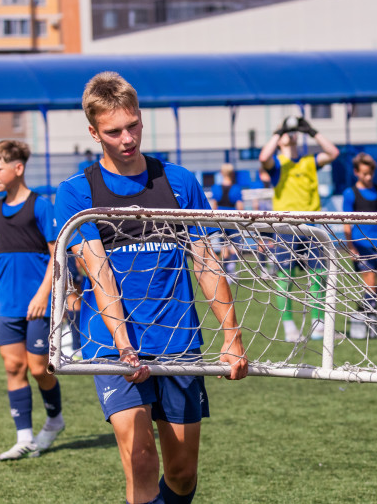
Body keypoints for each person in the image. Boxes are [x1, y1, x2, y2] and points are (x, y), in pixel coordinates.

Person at [54, 71, 248, 504]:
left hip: (179, 339)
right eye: (114, 131)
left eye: (134, 125)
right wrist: (125, 348)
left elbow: (205, 260)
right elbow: (99, 276)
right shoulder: (76, 193)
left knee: (181, 474)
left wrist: (232, 339)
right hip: (111, 344)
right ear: (93, 132)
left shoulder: (179, 182)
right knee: (141, 460)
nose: (127, 138)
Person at [0, 140, 65, 460]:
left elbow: (56, 256)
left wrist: (42, 294)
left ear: (18, 168)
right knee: (13, 367)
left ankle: (54, 421)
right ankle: (24, 437)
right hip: (5, 303)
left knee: (39, 369)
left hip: (37, 304)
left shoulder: (41, 206)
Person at [258, 115, 340, 341]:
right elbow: (263, 157)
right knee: (285, 277)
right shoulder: (276, 164)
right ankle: (289, 328)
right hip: (285, 227)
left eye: (292, 133)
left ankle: (318, 324)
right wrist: (279, 130)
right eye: (286, 134)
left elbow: (333, 153)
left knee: (318, 275)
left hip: (313, 227)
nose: (290, 135)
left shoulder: (309, 161)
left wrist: (312, 131)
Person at [342, 152, 377, 338]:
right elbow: (346, 223)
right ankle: (370, 323)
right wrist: (351, 247)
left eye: (371, 173)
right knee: (370, 283)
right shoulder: (351, 194)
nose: (368, 177)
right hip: (361, 245)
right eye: (364, 173)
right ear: (357, 172)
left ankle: (363, 307)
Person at [209, 163, 244, 280]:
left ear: (221, 173)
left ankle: (226, 272)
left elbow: (214, 206)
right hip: (232, 221)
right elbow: (240, 206)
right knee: (235, 245)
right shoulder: (236, 188)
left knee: (224, 246)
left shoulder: (216, 188)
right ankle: (231, 268)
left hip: (220, 220)